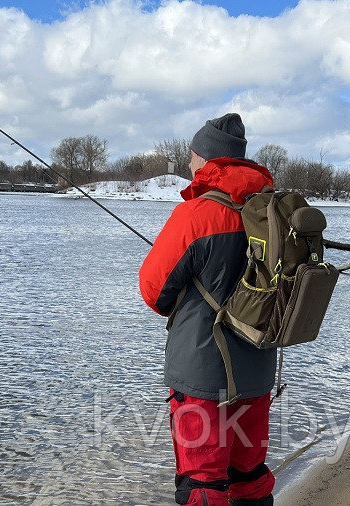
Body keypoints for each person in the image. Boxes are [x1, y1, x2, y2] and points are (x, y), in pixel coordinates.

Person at [139, 113, 277, 505]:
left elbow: (153, 291)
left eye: (193, 155)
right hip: (258, 367)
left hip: (202, 375)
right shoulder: (268, 210)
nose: (188, 164)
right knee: (248, 471)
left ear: (209, 160)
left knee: (203, 481)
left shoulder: (197, 215)